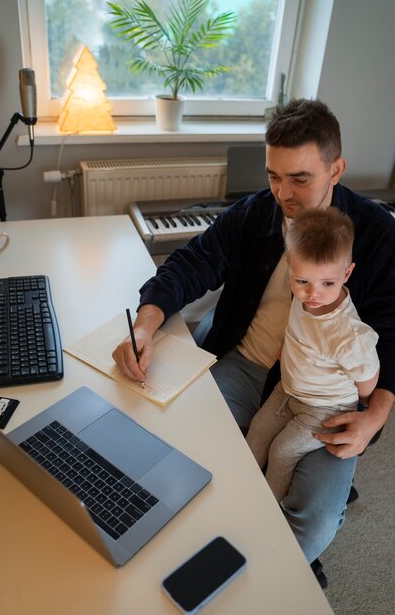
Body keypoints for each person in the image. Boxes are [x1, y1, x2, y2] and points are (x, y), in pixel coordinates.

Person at [112, 99, 395, 576]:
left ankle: (261, 579)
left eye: (299, 179)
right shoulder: (252, 214)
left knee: (314, 519)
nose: (282, 193)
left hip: (328, 394)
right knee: (177, 448)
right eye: (273, 176)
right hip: (247, 362)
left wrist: (375, 415)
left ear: (336, 169)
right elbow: (191, 263)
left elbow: (391, 331)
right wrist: (145, 322)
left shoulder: (375, 233)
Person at [246, 207, 380, 503]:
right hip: (288, 388)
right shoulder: (305, 294)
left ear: (347, 273)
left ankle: (266, 508)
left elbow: (369, 380)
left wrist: (365, 402)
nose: (312, 294)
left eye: (327, 283)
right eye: (302, 281)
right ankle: (242, 487)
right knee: (257, 430)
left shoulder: (348, 334)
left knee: (282, 451)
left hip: (326, 408)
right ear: (290, 266)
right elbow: (301, 328)